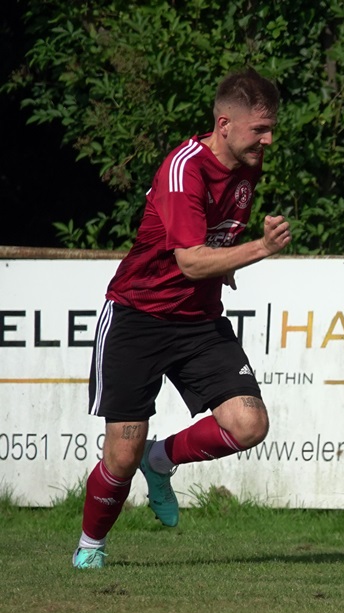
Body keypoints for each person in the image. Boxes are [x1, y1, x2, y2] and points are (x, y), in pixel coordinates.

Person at [72, 68, 291, 569]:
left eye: (271, 128)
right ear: (224, 125)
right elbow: (190, 261)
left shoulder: (247, 164)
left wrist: (226, 262)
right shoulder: (184, 169)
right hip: (138, 316)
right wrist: (260, 248)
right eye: (260, 129)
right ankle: (90, 546)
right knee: (120, 455)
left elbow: (210, 240)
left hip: (198, 320)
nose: (268, 140)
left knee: (249, 424)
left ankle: (162, 459)